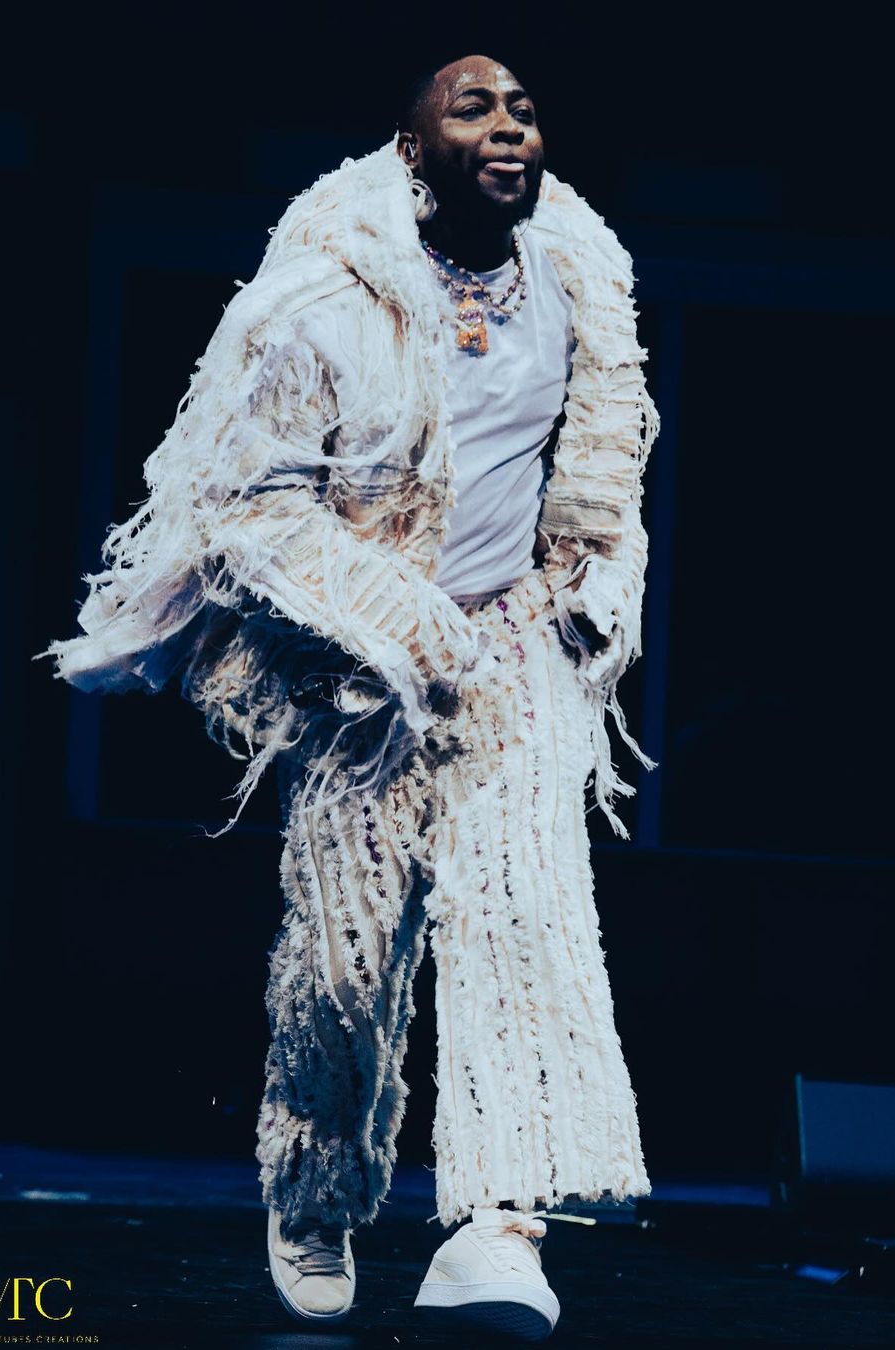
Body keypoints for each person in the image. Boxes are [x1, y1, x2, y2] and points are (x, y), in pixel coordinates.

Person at [41, 52, 660, 1342]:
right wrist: (407, 629)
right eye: (473, 109)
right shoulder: (322, 298)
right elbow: (249, 505)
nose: (509, 127)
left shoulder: (580, 269)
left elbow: (608, 456)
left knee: (525, 922)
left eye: (524, 109)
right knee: (345, 963)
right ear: (413, 148)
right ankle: (316, 1191)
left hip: (515, 652)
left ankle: (499, 1228)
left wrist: (588, 588)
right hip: (362, 670)